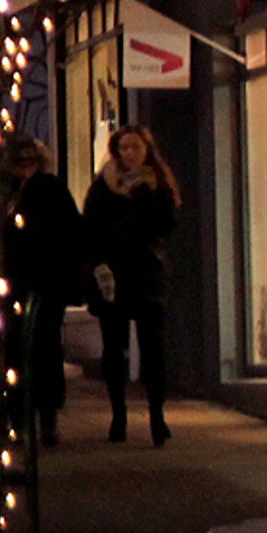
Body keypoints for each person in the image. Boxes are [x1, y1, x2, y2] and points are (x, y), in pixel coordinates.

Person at [88, 125, 180, 445]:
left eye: (135, 148)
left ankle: (157, 416)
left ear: (146, 150)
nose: (129, 154)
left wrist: (141, 192)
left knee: (153, 349)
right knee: (113, 349)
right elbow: (91, 228)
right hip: (112, 276)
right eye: (124, 148)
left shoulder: (156, 184)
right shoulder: (103, 186)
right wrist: (98, 266)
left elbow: (165, 224)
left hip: (146, 274)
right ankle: (118, 416)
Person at [0, 133, 81, 446]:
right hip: (19, 281)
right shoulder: (7, 192)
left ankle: (42, 417)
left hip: (43, 281)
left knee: (40, 347)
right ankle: (21, 417)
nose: (25, 169)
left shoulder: (47, 190)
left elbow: (68, 233)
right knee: (18, 349)